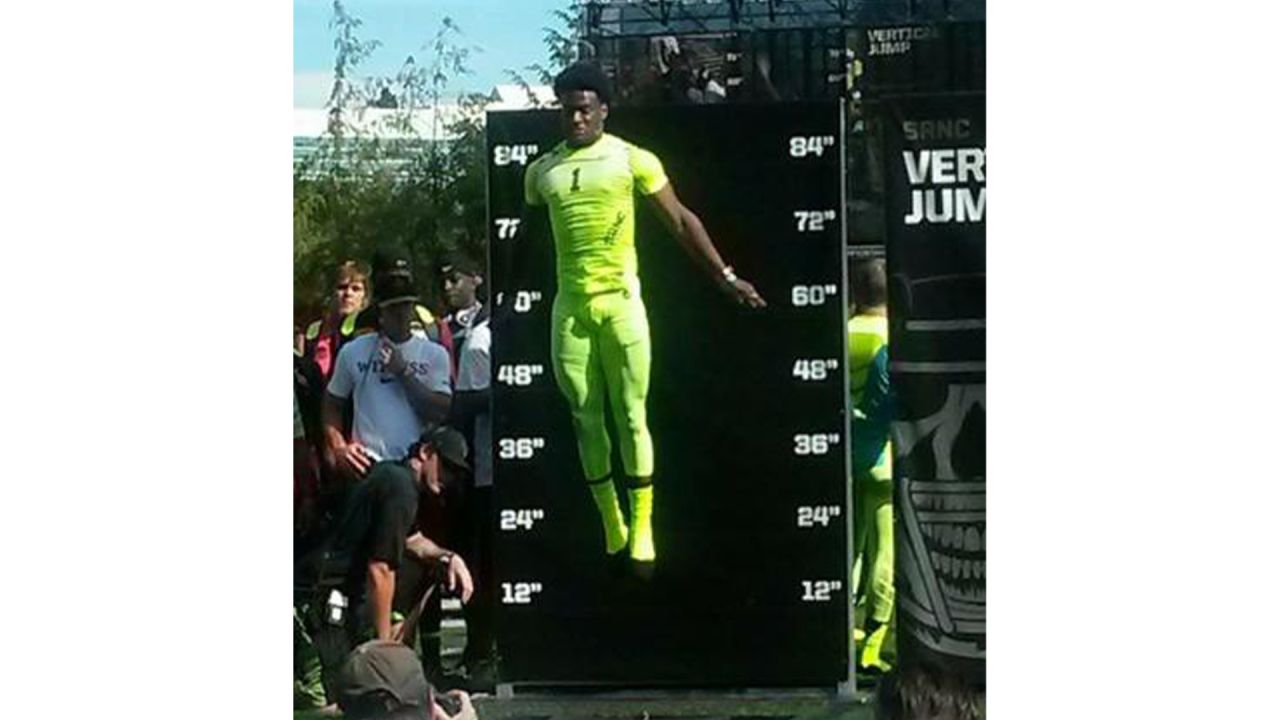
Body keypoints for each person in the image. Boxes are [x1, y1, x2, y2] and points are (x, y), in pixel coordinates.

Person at [521, 61, 767, 577]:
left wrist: (725, 276)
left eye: (585, 109)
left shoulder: (633, 160)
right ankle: (611, 520)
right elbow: (529, 242)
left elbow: (680, 219)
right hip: (571, 307)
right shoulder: (541, 172)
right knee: (584, 414)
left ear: (604, 110)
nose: (576, 119)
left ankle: (644, 524)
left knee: (631, 413)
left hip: (622, 302)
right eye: (567, 110)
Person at [295, 426, 477, 708]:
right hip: (315, 605)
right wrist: (385, 656)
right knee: (334, 704)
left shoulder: (393, 477)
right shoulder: (401, 488)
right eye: (447, 467)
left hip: (329, 600)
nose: (449, 479)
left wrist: (448, 557)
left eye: (456, 474)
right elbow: (380, 570)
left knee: (429, 567)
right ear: (426, 452)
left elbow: (413, 540)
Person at [323, 269, 453, 483]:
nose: (401, 314)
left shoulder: (434, 353)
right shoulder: (353, 351)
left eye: (406, 306)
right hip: (366, 467)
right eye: (393, 308)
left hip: (413, 466)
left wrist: (403, 373)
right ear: (381, 313)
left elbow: (441, 411)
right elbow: (332, 403)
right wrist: (339, 448)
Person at [439, 254, 498, 688]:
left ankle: (491, 648)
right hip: (484, 472)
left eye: (455, 278)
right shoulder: (478, 340)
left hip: (520, 472)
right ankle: (480, 650)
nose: (448, 286)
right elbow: (463, 408)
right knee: (479, 563)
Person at [848, 256, 895, 674]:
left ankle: (844, 631)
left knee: (851, 543)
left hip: (843, 454)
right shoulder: (893, 337)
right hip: (883, 455)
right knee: (885, 547)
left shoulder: (839, 334)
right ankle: (872, 648)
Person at [300, 260, 371, 381]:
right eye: (342, 287)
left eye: (356, 289)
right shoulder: (313, 330)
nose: (348, 293)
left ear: (364, 296)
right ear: (331, 292)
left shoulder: (366, 329)